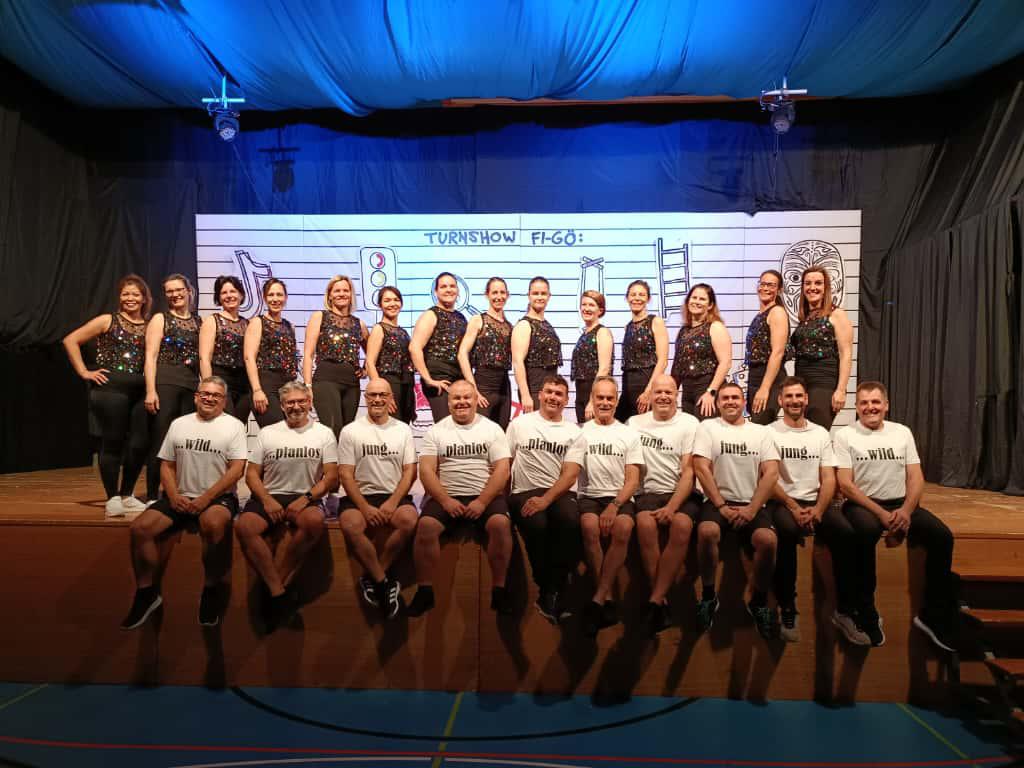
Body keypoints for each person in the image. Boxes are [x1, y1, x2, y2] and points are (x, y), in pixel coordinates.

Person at [824, 381, 957, 651]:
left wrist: (906, 510)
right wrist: (882, 515)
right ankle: (866, 610)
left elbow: (916, 477)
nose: (870, 407)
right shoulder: (845, 435)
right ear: (856, 407)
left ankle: (932, 614)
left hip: (900, 503)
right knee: (866, 532)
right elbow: (846, 485)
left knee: (942, 536)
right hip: (863, 505)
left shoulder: (902, 432)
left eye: (875, 402)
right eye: (864, 403)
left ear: (886, 405)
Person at [120, 376, 247, 630]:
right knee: (140, 528)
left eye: (216, 395)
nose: (209, 398)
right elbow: (166, 465)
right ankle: (146, 593)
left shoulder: (233, 426)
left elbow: (237, 469)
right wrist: (174, 495)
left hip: (216, 498)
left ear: (224, 401)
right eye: (205, 393)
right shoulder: (179, 424)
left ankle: (211, 588)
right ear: (196, 397)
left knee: (213, 525)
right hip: (180, 496)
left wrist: (206, 498)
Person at [237, 381, 338, 629]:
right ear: (282, 406)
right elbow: (252, 474)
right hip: (271, 495)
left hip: (305, 496)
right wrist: (267, 500)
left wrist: (306, 498)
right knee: (245, 526)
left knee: (314, 522)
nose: (296, 406)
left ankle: (274, 587)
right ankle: (279, 594)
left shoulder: (324, 433)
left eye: (301, 401)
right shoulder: (267, 433)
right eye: (290, 402)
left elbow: (331, 476)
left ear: (310, 403)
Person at [408, 380, 513, 616]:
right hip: (447, 495)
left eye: (467, 397)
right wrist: (445, 501)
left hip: (484, 495)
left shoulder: (492, 429)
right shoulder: (436, 431)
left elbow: (502, 470)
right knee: (426, 526)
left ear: (476, 400)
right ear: (448, 402)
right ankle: (424, 591)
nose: (462, 402)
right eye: (456, 398)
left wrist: (482, 502)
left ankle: (500, 590)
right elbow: (426, 471)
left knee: (500, 524)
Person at [692, 382, 781, 639]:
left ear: (744, 402)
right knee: (707, 532)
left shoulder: (761, 432)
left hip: (752, 503)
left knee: (768, 541)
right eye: (725, 398)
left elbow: (771, 473)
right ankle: (709, 596)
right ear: (718, 403)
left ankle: (758, 601)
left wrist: (752, 509)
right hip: (717, 502)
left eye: (735, 397)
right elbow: (701, 468)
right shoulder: (707, 428)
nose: (730, 401)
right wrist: (721, 505)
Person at [63, 274, 152, 517]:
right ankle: (112, 496)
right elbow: (71, 340)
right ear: (120, 297)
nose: (130, 298)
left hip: (141, 390)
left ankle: (127, 494)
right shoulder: (107, 320)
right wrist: (84, 372)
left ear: (144, 298)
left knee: (139, 445)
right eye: (125, 294)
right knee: (113, 442)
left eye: (135, 294)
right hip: (111, 389)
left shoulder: (150, 325)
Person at [506, 374, 586, 623]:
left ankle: (557, 588)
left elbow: (570, 474)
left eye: (559, 394)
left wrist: (546, 500)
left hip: (558, 492)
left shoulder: (574, 432)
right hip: (524, 491)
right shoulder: (519, 425)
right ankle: (548, 589)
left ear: (567, 400)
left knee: (571, 521)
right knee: (537, 523)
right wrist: (502, 502)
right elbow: (505, 464)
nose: (553, 397)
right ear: (539, 395)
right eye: (549, 392)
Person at [337, 378, 418, 619]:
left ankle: (374, 577)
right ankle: (384, 583)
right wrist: (364, 507)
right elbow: (345, 474)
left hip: (393, 495)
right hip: (360, 496)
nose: (377, 399)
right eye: (372, 395)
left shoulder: (403, 429)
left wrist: (393, 502)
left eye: (383, 395)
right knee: (351, 524)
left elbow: (410, 471)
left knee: (409, 520)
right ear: (365, 398)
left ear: (391, 398)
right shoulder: (350, 431)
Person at [627, 374, 701, 635]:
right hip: (648, 493)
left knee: (682, 525)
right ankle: (661, 601)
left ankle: (656, 600)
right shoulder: (634, 423)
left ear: (676, 395)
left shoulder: (689, 423)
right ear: (650, 395)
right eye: (658, 392)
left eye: (669, 392)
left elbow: (689, 472)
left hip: (680, 492)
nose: (663, 397)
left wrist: (672, 507)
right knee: (645, 524)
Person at [766, 376, 837, 642]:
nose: (794, 401)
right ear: (780, 400)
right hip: (783, 502)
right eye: (789, 396)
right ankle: (788, 606)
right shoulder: (769, 433)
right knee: (786, 531)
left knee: (846, 531)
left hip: (815, 503)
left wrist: (818, 510)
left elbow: (828, 478)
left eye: (799, 396)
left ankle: (847, 606)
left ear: (806, 399)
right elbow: (768, 479)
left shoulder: (820, 434)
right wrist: (794, 508)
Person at [578, 376, 644, 637]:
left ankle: (599, 598)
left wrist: (615, 506)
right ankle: (604, 598)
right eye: (600, 397)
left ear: (617, 401)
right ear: (592, 400)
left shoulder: (629, 434)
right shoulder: (580, 432)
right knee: (589, 527)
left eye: (609, 398)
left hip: (619, 497)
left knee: (624, 528)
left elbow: (633, 480)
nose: (604, 402)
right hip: (589, 496)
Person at [143, 274, 201, 501]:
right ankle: (151, 496)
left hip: (191, 386)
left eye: (179, 289)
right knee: (160, 441)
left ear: (188, 291)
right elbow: (150, 356)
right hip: (165, 384)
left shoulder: (199, 322)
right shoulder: (161, 319)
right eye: (170, 291)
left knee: (184, 444)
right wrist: (150, 390)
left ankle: (177, 493)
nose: (175, 294)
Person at [786, 267, 853, 430]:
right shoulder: (805, 318)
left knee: (817, 433)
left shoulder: (837, 314)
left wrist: (841, 390)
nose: (812, 287)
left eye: (818, 283)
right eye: (807, 283)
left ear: (826, 288)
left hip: (824, 383)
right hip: (802, 383)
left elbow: (846, 354)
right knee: (802, 435)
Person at [302, 275, 369, 439]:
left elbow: (372, 352)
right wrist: (307, 386)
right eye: (337, 290)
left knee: (346, 435)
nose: (342, 294)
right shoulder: (319, 317)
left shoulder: (358, 324)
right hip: (326, 381)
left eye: (346, 290)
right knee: (333, 430)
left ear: (351, 294)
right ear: (330, 295)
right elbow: (308, 354)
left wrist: (365, 369)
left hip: (352, 385)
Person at [409, 272, 467, 423]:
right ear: (436, 291)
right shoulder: (430, 315)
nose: (448, 290)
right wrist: (428, 379)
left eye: (452, 286)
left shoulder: (461, 318)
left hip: (458, 380)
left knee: (459, 427)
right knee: (445, 427)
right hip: (439, 381)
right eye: (443, 286)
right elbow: (414, 348)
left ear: (458, 290)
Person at [458, 277, 513, 429]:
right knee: (479, 433)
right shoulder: (478, 320)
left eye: (502, 292)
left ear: (507, 295)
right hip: (483, 385)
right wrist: (473, 389)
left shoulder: (510, 326)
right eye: (494, 292)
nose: (499, 296)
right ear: (487, 295)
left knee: (501, 434)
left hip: (504, 387)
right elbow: (462, 354)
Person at [671, 283, 732, 420]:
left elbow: (725, 363)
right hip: (687, 391)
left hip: (707, 387)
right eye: (694, 298)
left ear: (710, 305)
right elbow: (677, 365)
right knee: (690, 430)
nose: (697, 302)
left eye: (702, 299)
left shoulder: (715, 327)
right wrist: (672, 392)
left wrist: (711, 392)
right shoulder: (683, 331)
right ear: (688, 301)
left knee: (706, 430)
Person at [244, 278, 296, 428]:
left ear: (286, 297)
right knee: (275, 431)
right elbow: (249, 358)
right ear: (264, 298)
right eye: (271, 295)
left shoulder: (289, 326)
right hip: (266, 384)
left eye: (279, 294)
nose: (275, 299)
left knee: (290, 433)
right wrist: (257, 390)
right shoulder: (257, 322)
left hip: (287, 386)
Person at [199, 275, 251, 423]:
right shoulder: (212, 320)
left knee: (238, 426)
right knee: (223, 423)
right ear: (219, 298)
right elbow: (204, 358)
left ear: (241, 294)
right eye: (224, 292)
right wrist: (209, 388)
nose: (229, 296)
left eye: (233, 291)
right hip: (220, 381)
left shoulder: (247, 323)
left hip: (244, 385)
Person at [616, 280, 668, 422]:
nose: (637, 298)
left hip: (646, 383)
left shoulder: (655, 321)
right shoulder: (627, 327)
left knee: (644, 428)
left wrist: (649, 391)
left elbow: (663, 361)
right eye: (633, 294)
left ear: (648, 299)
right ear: (627, 298)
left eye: (641, 294)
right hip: (627, 386)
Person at [365, 285, 416, 424]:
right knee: (391, 426)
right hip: (389, 383)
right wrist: (382, 392)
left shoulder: (403, 332)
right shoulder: (379, 329)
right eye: (387, 300)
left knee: (403, 427)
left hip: (406, 384)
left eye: (396, 300)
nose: (392, 304)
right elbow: (369, 363)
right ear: (380, 305)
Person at [512, 276, 563, 414]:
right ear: (529, 296)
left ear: (549, 296)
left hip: (550, 390)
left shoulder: (547, 325)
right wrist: (525, 395)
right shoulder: (524, 325)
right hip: (533, 391)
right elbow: (517, 362)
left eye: (543, 293)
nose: (540, 297)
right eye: (535, 293)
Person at [745, 270, 789, 425]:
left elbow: (777, 352)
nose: (765, 288)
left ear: (779, 290)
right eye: (762, 284)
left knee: (761, 427)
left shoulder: (777, 312)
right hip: (755, 377)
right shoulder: (760, 314)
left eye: (770, 285)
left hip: (770, 378)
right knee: (757, 428)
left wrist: (765, 388)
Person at [570, 290, 614, 424]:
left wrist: (592, 400)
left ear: (600, 310)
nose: (586, 308)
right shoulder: (584, 334)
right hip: (581, 392)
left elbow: (604, 369)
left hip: (595, 393)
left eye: (591, 305)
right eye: (584, 305)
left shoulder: (602, 332)